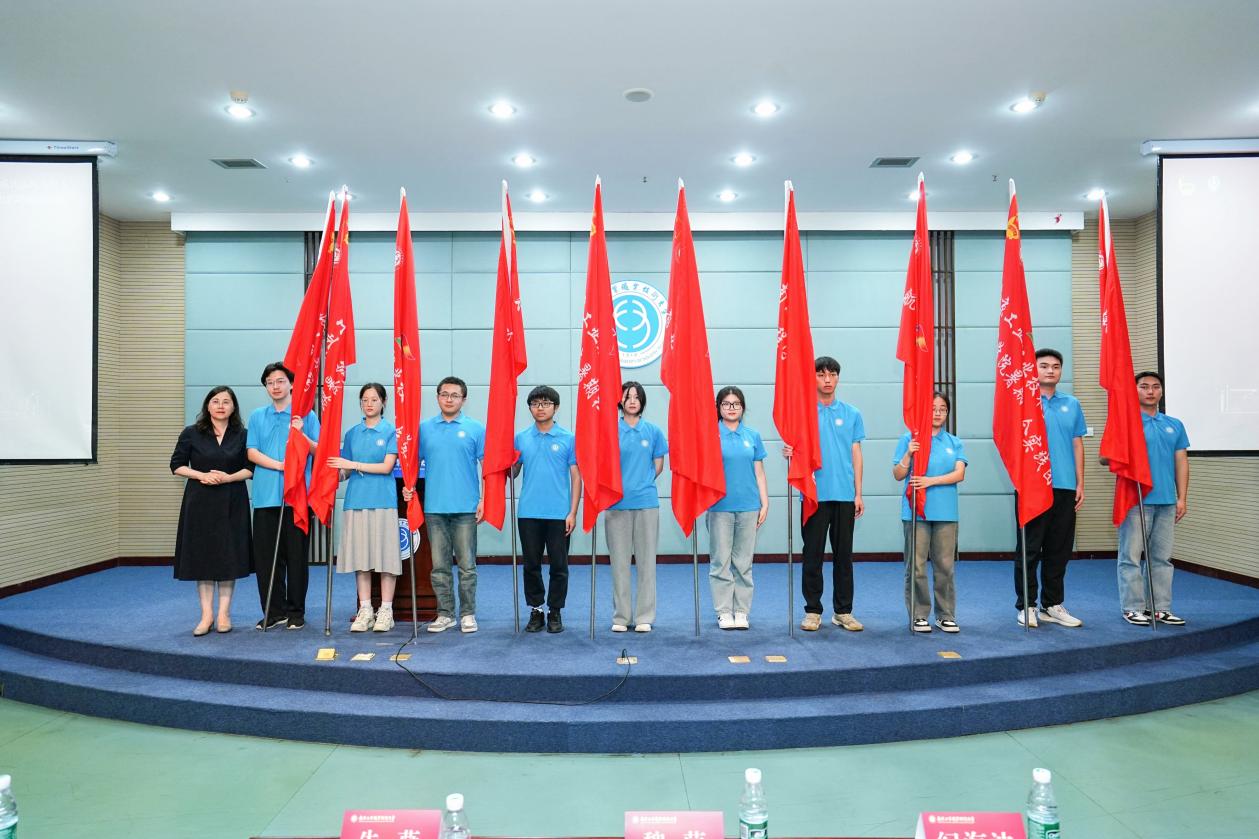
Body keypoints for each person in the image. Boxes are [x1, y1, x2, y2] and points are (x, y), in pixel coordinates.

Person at [782, 356, 866, 632]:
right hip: (814, 496)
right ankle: (812, 611)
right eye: (821, 374)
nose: (827, 380)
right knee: (813, 555)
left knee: (844, 556)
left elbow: (856, 454)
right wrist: (789, 453)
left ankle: (843, 611)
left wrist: (858, 493)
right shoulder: (803, 415)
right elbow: (795, 450)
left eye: (832, 374)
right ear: (813, 378)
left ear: (838, 378)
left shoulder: (852, 413)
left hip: (844, 495)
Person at [170, 386, 253, 635]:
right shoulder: (191, 433)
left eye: (226, 402)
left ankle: (224, 614)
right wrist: (201, 475)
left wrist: (228, 478)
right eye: (215, 401)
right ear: (207, 406)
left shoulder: (243, 435)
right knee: (203, 558)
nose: (220, 406)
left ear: (233, 407)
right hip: (200, 501)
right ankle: (206, 615)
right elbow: (176, 465)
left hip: (232, 500)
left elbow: (250, 468)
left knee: (228, 557)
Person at [1014, 348, 1087, 629]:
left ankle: (1052, 604)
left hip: (1065, 486)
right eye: (1043, 365)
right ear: (1033, 369)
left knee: (1059, 549)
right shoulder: (1023, 402)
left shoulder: (1072, 404)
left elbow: (1077, 444)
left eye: (1056, 366)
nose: (1050, 371)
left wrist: (1080, 482)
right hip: (1032, 486)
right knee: (1030, 549)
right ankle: (1027, 605)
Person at [1112, 371, 1190, 626]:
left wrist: (1182, 497)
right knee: (1131, 557)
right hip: (1135, 499)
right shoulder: (1126, 424)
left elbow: (1181, 462)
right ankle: (1132, 607)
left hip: (1166, 501)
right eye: (1144, 386)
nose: (1150, 391)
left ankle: (1159, 608)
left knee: (1161, 559)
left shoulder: (1174, 424)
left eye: (1155, 387)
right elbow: (1105, 458)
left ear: (1161, 392)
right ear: (1134, 390)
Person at [246, 362, 320, 630]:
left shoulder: (306, 415)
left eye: (280, 381)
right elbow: (251, 452)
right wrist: (280, 466)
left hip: (297, 497)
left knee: (297, 558)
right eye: (269, 382)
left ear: (291, 384)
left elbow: (319, 450)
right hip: (266, 496)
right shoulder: (257, 416)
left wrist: (301, 434)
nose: (275, 386)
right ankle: (273, 610)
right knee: (267, 559)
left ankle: (296, 611)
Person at [892, 392, 967, 633]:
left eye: (942, 409)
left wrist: (930, 481)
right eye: (933, 408)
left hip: (946, 512)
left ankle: (945, 615)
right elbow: (898, 474)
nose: (937, 413)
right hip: (916, 512)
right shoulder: (909, 438)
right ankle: (918, 615)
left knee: (945, 566)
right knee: (916, 566)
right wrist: (909, 453)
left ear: (947, 413)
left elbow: (959, 474)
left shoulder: (954, 442)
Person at [328, 384, 400, 633]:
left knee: (386, 558)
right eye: (364, 400)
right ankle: (366, 609)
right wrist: (331, 475)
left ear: (383, 402)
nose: (369, 404)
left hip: (383, 500)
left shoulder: (391, 431)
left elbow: (386, 467)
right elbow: (345, 471)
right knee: (362, 559)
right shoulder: (352, 433)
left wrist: (353, 464)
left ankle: (386, 610)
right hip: (356, 501)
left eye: (374, 399)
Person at [416, 376, 485, 634]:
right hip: (434, 508)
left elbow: (486, 466)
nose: (449, 399)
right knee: (439, 567)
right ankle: (445, 614)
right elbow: (411, 464)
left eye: (455, 395)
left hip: (466, 508)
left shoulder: (475, 428)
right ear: (437, 397)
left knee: (467, 567)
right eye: (444, 394)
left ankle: (467, 613)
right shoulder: (424, 429)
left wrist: (484, 499)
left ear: (463, 400)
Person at [513, 386, 581, 634]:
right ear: (530, 408)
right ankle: (536, 610)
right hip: (528, 513)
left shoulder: (568, 438)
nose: (540, 408)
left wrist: (572, 512)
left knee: (559, 566)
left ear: (556, 407)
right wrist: (504, 459)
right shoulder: (521, 438)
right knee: (531, 565)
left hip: (559, 514)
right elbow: (513, 473)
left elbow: (576, 477)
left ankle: (555, 610)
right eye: (535, 404)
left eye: (546, 403)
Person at [605, 382, 667, 633]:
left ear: (642, 401)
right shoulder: (610, 430)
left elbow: (658, 466)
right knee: (619, 564)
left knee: (646, 563)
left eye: (636, 397)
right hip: (616, 505)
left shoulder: (653, 431)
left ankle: (644, 616)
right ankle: (621, 617)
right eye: (627, 396)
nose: (632, 401)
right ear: (620, 401)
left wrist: (641, 483)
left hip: (646, 504)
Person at [707, 386, 769, 630]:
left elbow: (759, 473)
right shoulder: (710, 435)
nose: (731, 408)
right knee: (720, 562)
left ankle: (742, 611)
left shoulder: (752, 436)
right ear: (719, 408)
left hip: (749, 506)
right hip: (719, 507)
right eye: (726, 404)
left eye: (736, 404)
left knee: (743, 563)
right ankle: (724, 611)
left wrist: (765, 502)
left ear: (743, 407)